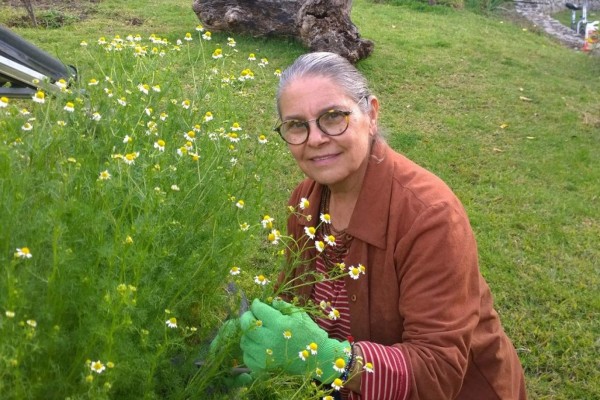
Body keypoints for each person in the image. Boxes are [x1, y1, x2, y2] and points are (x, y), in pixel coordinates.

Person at [229, 51, 527, 400]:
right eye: (297, 125)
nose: (315, 139)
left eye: (333, 117)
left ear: (371, 114)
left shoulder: (431, 217)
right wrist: (256, 329)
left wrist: (332, 361)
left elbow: (438, 371)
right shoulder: (306, 200)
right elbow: (295, 295)